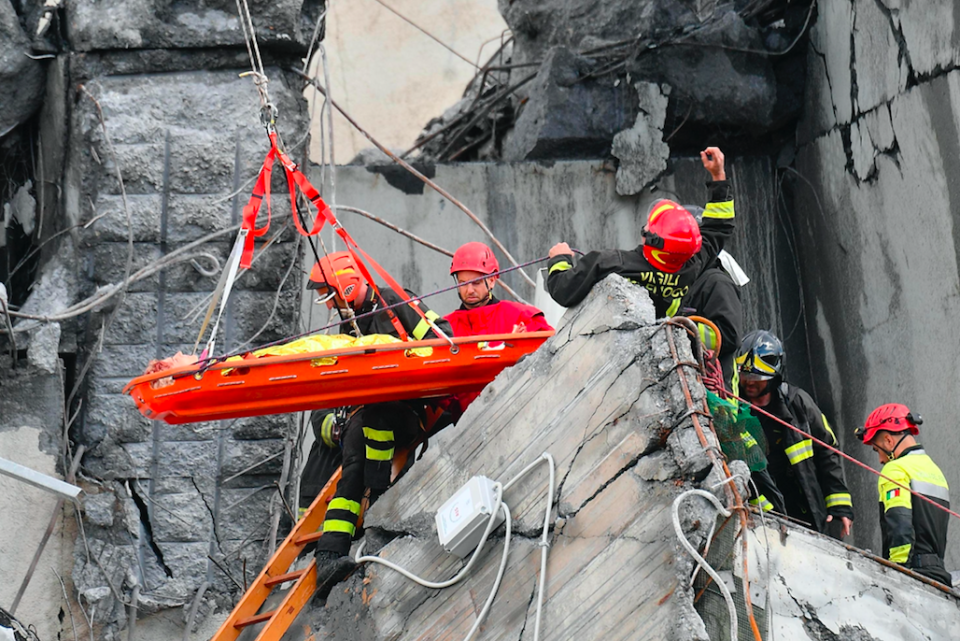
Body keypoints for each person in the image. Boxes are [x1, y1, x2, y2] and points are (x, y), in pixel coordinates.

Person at [304, 251, 453, 588]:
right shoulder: (350, 324)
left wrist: (403, 363)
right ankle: (330, 554)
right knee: (354, 461)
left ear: (348, 285)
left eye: (330, 297)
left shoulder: (395, 304)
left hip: (406, 408)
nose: (329, 306)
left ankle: (375, 523)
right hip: (369, 410)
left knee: (375, 428)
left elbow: (442, 336)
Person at [546, 147, 733, 321]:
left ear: (651, 240)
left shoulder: (610, 263)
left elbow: (563, 289)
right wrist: (719, 176)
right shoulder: (692, 267)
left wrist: (559, 259)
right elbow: (718, 228)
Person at [736, 330, 854, 538]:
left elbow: (827, 450)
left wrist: (839, 505)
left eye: (757, 378)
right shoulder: (733, 408)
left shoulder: (798, 403)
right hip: (763, 517)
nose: (749, 383)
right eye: (745, 377)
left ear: (774, 376)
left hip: (807, 508)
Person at [443, 241, 553, 414]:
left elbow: (550, 360)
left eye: (476, 283)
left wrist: (516, 349)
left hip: (520, 414)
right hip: (468, 426)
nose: (469, 290)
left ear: (492, 280)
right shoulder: (444, 328)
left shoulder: (521, 316)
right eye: (463, 283)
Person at [856, 403, 951, 585]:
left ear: (889, 441)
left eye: (877, 450)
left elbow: (900, 525)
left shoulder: (895, 469)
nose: (880, 459)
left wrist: (897, 572)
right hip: (938, 576)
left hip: (913, 575)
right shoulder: (935, 471)